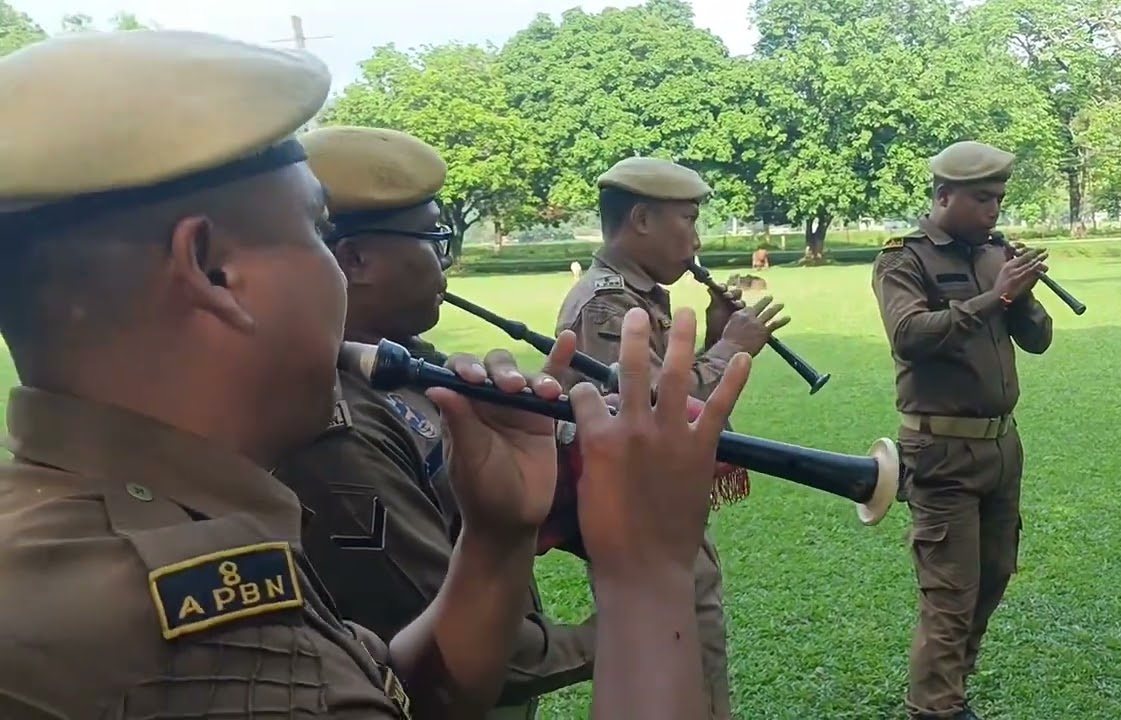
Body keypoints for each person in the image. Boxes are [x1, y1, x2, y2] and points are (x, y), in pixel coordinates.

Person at [0, 30, 750, 720]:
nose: (339, 273)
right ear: (213, 272)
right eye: (321, 234)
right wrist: (648, 581)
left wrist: (492, 540)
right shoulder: (175, 627)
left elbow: (391, 686)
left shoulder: (108, 523)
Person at [273, 124, 596, 718]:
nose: (447, 260)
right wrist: (628, 621)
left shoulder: (418, 364)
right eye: (433, 240)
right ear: (356, 259)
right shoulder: (336, 426)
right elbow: (443, 646)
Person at [555, 155, 789, 719]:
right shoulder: (608, 306)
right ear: (641, 219)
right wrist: (730, 349)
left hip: (659, 525)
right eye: (687, 219)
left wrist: (712, 339)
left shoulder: (639, 297)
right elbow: (661, 421)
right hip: (644, 532)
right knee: (682, 675)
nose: (696, 236)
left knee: (696, 666)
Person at [870, 140, 1053, 720]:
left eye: (999, 198)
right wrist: (991, 298)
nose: (994, 210)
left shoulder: (996, 252)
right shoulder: (905, 258)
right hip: (940, 448)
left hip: (1002, 444)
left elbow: (1039, 339)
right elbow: (910, 335)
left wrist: (1020, 297)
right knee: (950, 590)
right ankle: (937, 707)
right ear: (944, 195)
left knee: (995, 573)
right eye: (982, 199)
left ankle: (952, 682)